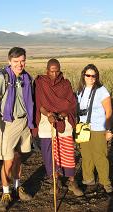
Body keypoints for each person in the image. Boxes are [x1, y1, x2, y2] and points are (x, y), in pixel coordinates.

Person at [0, 47, 34, 211]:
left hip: (25, 122)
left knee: (19, 157)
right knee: (8, 160)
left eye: (22, 60)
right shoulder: (2, 77)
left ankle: (17, 187)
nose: (20, 64)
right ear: (9, 61)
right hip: (8, 123)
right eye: (16, 61)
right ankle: (6, 192)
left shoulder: (26, 77)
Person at [33, 58, 83, 196]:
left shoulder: (66, 84)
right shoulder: (40, 83)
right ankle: (55, 181)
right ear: (47, 70)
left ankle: (72, 181)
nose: (54, 74)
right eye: (51, 71)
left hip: (63, 121)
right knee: (50, 154)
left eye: (57, 71)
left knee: (67, 151)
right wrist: (48, 114)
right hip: (47, 122)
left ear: (60, 71)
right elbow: (39, 104)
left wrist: (62, 113)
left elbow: (71, 104)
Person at [76, 64, 113, 193]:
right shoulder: (80, 90)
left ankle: (105, 181)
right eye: (88, 75)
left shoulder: (102, 91)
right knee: (86, 155)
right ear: (84, 75)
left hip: (98, 128)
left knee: (100, 156)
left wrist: (108, 130)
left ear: (97, 76)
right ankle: (88, 178)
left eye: (94, 75)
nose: (91, 78)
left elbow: (108, 111)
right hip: (83, 127)